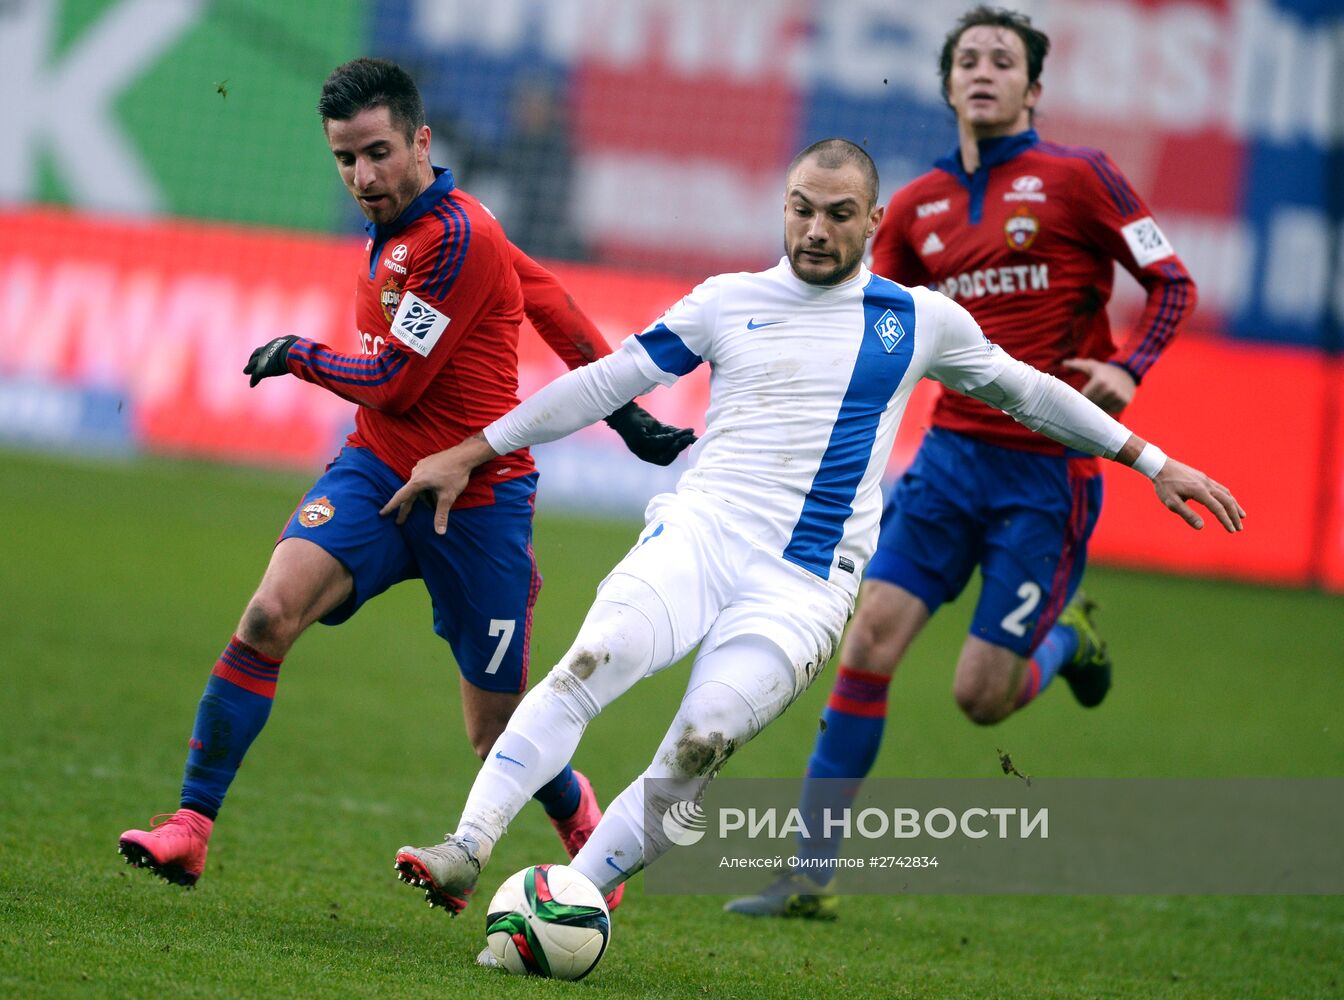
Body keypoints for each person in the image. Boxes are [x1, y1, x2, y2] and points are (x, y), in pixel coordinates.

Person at [374, 138, 1241, 930]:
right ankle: (468, 844)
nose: (815, 229)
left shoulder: (917, 321)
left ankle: (577, 899)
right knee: (592, 659)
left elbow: (1032, 393)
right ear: (782, 207)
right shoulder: (727, 301)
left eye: (836, 213)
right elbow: (605, 382)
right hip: (700, 535)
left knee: (701, 741)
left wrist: (1154, 462)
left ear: (872, 221)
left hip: (805, 584)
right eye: (800, 207)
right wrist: (475, 450)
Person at [116, 58, 694, 898]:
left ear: (421, 141)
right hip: (380, 469)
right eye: (345, 159)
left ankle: (582, 825)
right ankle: (190, 826)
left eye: (378, 153)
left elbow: (396, 379)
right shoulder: (418, 226)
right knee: (269, 614)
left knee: (495, 729)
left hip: (479, 499)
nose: (362, 176)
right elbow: (549, 298)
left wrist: (298, 355)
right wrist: (629, 411)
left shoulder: (458, 238)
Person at [725, 5, 1199, 919]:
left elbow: (1171, 281)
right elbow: (856, 300)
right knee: (867, 640)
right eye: (967, 59)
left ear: (1034, 88)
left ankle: (1071, 642)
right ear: (947, 83)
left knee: (981, 698)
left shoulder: (1081, 178)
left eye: (1002, 60)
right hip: (948, 461)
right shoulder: (918, 208)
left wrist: (1130, 369)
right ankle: (809, 873)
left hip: (1046, 474)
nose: (983, 71)